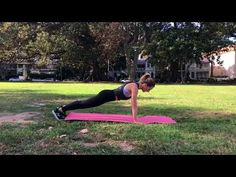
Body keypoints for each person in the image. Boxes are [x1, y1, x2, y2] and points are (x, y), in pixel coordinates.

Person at [52, 73, 155, 123]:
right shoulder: (134, 87)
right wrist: (135, 119)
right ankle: (60, 109)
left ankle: (63, 109)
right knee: (85, 104)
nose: (148, 91)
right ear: (145, 85)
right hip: (105, 95)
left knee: (85, 104)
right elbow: (134, 104)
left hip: (106, 96)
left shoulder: (136, 85)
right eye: (149, 89)